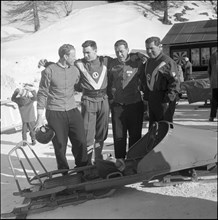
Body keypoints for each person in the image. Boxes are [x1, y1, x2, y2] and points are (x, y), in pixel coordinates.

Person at [38, 41, 113, 164]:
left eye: (88, 52)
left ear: (95, 50)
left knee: (99, 134)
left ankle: (97, 160)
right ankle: (85, 165)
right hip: (86, 101)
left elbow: (120, 62)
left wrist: (136, 56)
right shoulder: (79, 64)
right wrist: (47, 63)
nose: (85, 55)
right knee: (84, 136)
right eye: (83, 53)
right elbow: (59, 67)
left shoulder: (105, 61)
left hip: (102, 101)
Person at [35, 44, 88, 172]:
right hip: (55, 112)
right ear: (65, 56)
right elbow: (42, 93)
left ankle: (84, 168)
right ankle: (64, 173)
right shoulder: (49, 71)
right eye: (73, 56)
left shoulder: (75, 70)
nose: (75, 58)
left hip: (72, 109)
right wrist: (39, 118)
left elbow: (77, 84)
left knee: (80, 140)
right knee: (60, 145)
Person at [107, 39, 145, 166]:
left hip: (134, 104)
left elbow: (147, 68)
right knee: (119, 134)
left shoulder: (137, 62)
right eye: (117, 52)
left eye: (122, 51)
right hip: (118, 105)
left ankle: (134, 160)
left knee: (135, 134)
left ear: (128, 50)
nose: (119, 54)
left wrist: (138, 54)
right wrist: (111, 98)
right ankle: (120, 161)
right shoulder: (112, 64)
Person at [142, 36, 180, 129]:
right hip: (152, 98)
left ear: (160, 47)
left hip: (164, 98)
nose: (149, 51)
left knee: (164, 127)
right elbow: (148, 80)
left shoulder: (167, 62)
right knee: (153, 128)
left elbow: (174, 83)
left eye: (152, 48)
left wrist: (168, 99)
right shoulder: (149, 62)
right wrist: (147, 97)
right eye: (147, 49)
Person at [208, 49, 218, 122]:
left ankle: (212, 116)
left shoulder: (212, 56)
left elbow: (209, 70)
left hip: (214, 82)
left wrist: (211, 79)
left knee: (214, 100)